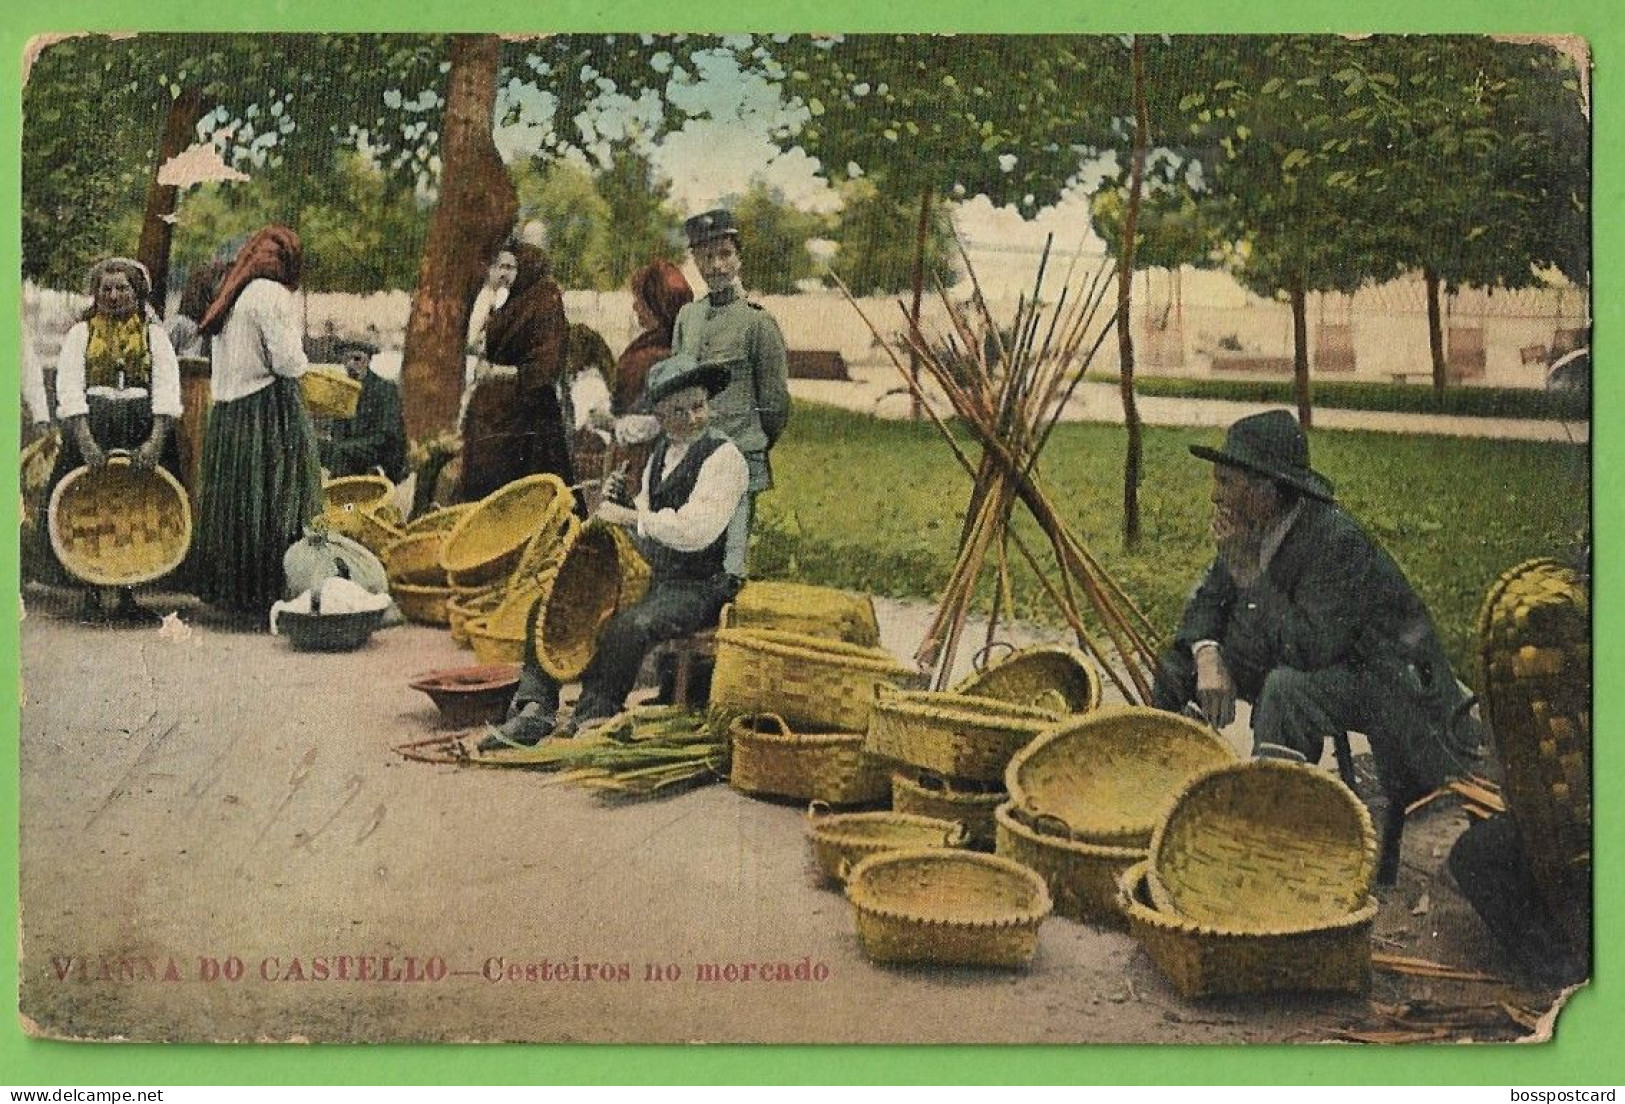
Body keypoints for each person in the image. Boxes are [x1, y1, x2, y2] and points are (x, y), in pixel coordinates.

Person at [1151, 410, 1478, 806]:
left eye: (1225, 482)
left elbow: (1307, 649)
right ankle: (1169, 795)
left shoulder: (1337, 542)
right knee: (1177, 664)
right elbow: (1207, 600)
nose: (1215, 495)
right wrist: (1206, 653)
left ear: (1265, 489)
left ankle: (1276, 815)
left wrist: (1250, 574)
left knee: (1286, 692)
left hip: (1388, 679)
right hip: (1314, 657)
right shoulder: (1250, 524)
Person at [479, 352, 748, 752]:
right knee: (549, 607)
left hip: (703, 583)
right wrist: (627, 502)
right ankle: (535, 707)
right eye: (679, 410)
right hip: (656, 570)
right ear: (658, 412)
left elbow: (696, 530)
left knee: (629, 626)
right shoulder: (661, 453)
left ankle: (594, 714)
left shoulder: (724, 458)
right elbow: (647, 513)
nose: (693, 418)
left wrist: (628, 516)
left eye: (699, 406)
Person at [191, 225, 324, 618]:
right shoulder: (271, 294)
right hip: (266, 408)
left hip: (230, 408)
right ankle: (269, 591)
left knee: (237, 500)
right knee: (276, 495)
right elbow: (286, 360)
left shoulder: (234, 292)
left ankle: (234, 593)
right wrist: (303, 365)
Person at [44, 257, 184, 619]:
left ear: (137, 294)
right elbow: (70, 387)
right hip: (94, 425)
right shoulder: (81, 334)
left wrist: (155, 441)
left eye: (122, 288)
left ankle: (127, 594)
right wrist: (85, 440)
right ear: (96, 294)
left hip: (139, 426)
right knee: (90, 508)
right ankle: (90, 589)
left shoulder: (154, 337)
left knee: (136, 508)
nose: (113, 295)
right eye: (106, 289)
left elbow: (167, 390)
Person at [671, 209, 790, 583]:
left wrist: (753, 443)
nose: (717, 265)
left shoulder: (757, 321)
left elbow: (774, 403)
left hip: (740, 454)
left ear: (739, 258)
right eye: (707, 257)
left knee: (731, 566)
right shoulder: (687, 318)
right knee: (694, 557)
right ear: (695, 261)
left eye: (725, 254)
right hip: (695, 457)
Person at [459, 240, 571, 503]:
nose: (503, 274)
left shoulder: (545, 300)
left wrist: (498, 372)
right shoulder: (506, 301)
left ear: (528, 268)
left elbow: (547, 366)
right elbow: (475, 344)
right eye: (499, 266)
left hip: (529, 415)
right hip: (496, 411)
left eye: (511, 267)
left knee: (524, 492)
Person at [317, 340, 408, 481]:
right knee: (314, 446)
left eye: (357, 359)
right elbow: (338, 431)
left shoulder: (385, 389)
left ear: (368, 360)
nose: (351, 364)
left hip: (380, 455)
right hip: (350, 453)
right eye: (346, 359)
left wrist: (343, 448)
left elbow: (386, 435)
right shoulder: (342, 391)